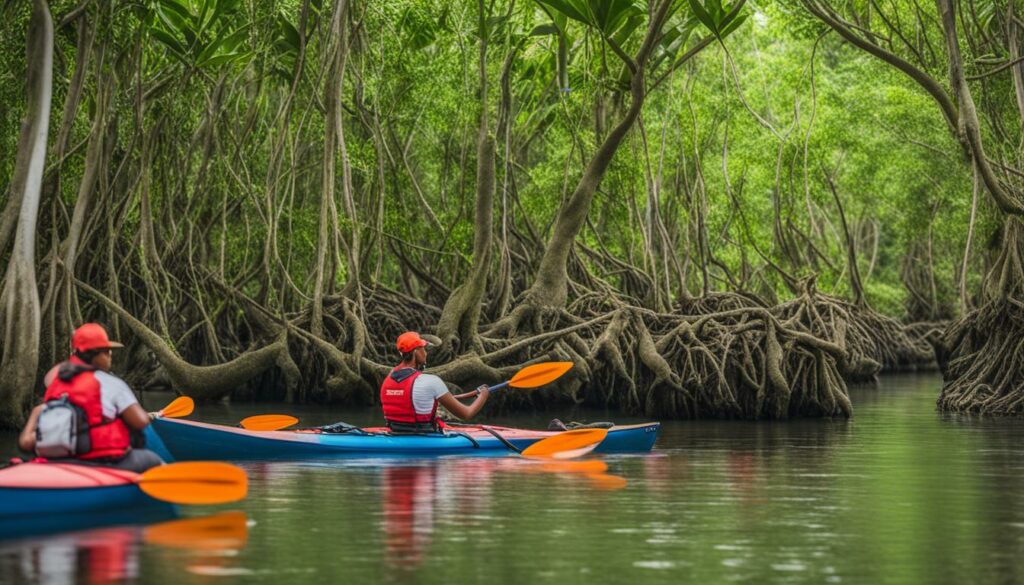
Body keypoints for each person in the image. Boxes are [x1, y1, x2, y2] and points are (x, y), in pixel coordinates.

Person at [17, 323, 165, 472]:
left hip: (59, 460)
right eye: (106, 351)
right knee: (151, 459)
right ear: (95, 354)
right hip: (100, 462)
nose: (110, 355)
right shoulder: (111, 383)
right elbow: (141, 422)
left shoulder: (57, 383)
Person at [380, 331, 489, 433]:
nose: (425, 353)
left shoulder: (388, 378)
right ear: (416, 351)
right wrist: (483, 395)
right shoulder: (431, 382)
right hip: (422, 435)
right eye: (423, 349)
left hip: (394, 431)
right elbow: (467, 414)